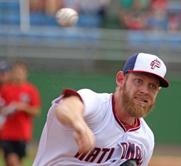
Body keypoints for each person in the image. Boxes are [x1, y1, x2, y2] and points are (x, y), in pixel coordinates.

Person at [33, 52, 169, 166]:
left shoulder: (146, 139)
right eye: (139, 81)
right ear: (121, 79)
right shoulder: (97, 104)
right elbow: (66, 107)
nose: (145, 91)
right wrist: (80, 125)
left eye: (152, 86)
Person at [0, 61, 41, 166]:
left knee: (14, 162)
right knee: (12, 161)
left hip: (23, 133)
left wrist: (23, 107)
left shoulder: (31, 90)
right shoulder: (5, 90)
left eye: (20, 72)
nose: (18, 74)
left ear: (25, 74)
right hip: (7, 134)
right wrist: (9, 110)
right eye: (16, 72)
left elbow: (36, 111)